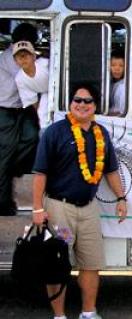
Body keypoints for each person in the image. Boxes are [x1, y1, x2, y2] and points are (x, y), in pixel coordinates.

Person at [32, 83, 128, 319]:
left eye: (87, 101)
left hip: (88, 209)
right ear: (70, 103)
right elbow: (40, 173)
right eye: (77, 100)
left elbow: (111, 170)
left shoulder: (101, 134)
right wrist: (37, 208)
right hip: (58, 208)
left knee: (91, 263)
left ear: (95, 106)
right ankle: (59, 315)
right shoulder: (55, 132)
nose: (81, 105)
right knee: (57, 263)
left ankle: (88, 312)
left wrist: (121, 197)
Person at [0, 22, 40, 216]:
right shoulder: (10, 57)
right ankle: (2, 203)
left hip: (20, 109)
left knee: (32, 137)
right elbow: (29, 76)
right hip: (4, 111)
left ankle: (15, 168)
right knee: (4, 156)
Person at [12, 40, 50, 130]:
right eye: (19, 56)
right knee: (42, 115)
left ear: (34, 56)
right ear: (15, 61)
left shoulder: (45, 63)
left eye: (26, 55)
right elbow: (33, 101)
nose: (23, 58)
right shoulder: (19, 79)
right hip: (46, 94)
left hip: (62, 89)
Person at [109, 49, 125, 115]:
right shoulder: (109, 83)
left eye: (121, 66)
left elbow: (120, 112)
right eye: (113, 65)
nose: (117, 69)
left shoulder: (123, 87)